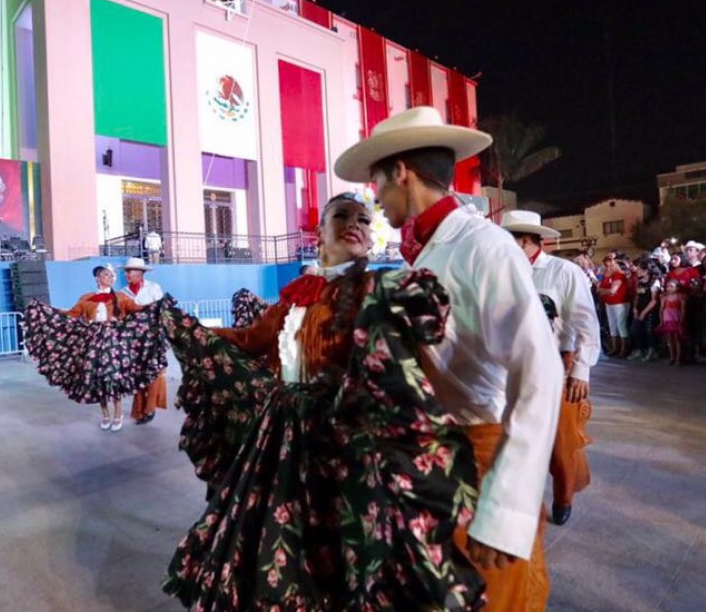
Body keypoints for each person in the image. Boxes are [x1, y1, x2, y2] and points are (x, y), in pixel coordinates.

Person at [159, 192, 484, 610]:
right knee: (286, 539)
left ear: (370, 240)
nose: (354, 223)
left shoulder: (377, 291)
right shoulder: (298, 293)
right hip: (285, 437)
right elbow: (249, 341)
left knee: (351, 543)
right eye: (341, 216)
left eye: (364, 219)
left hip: (347, 438)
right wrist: (186, 328)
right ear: (319, 236)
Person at [335, 106, 562, 612]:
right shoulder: (427, 251)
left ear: (400, 171)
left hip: (480, 461)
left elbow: (541, 373)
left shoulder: (484, 248)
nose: (373, 199)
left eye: (376, 182)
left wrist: (506, 509)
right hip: (430, 464)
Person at [502, 210, 600, 527]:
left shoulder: (563, 272)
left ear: (528, 241)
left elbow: (586, 323)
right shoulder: (501, 273)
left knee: (560, 442)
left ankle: (563, 496)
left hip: (557, 364)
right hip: (510, 366)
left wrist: (581, 370)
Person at [22, 265, 165, 431]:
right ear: (98, 278)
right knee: (97, 378)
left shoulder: (120, 297)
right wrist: (48, 311)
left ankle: (118, 414)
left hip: (113, 341)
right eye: (106, 275)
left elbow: (138, 310)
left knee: (113, 377)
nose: (111, 278)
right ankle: (105, 415)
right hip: (94, 340)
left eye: (112, 275)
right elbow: (71, 315)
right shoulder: (87, 298)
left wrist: (158, 307)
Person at [121, 257, 168, 425]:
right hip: (133, 340)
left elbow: (163, 311)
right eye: (126, 271)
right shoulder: (123, 292)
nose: (126, 274)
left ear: (140, 273)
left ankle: (150, 408)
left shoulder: (154, 288)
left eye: (130, 271)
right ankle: (140, 411)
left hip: (152, 337)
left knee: (154, 374)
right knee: (136, 376)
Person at [630, 258, 663, 362]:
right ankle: (640, 349)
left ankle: (652, 351)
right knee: (635, 330)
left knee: (649, 331)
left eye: (640, 269)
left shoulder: (654, 282)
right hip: (639, 308)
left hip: (650, 310)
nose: (637, 271)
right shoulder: (640, 282)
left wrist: (644, 312)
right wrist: (635, 308)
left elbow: (654, 300)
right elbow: (637, 296)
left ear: (647, 270)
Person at [600, 253, 631, 357]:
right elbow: (599, 289)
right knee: (612, 325)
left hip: (620, 303)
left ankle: (624, 349)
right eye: (607, 265)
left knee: (621, 325)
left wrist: (603, 290)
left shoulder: (618, 275)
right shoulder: (605, 275)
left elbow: (613, 290)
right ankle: (614, 348)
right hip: (609, 303)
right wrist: (604, 291)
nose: (610, 268)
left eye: (612, 265)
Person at [657, 279, 687, 366]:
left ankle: (678, 358)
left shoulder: (680, 296)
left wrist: (682, 320)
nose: (669, 288)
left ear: (677, 287)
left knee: (677, 339)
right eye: (667, 287)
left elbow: (683, 310)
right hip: (667, 319)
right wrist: (661, 320)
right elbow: (661, 309)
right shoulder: (664, 297)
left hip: (676, 319)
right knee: (669, 339)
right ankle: (672, 357)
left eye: (671, 286)